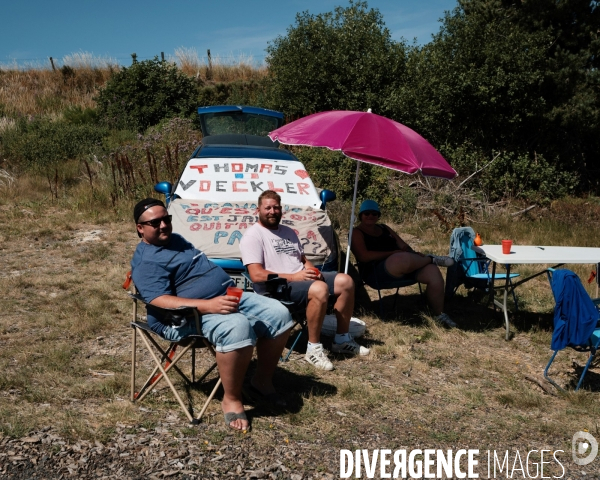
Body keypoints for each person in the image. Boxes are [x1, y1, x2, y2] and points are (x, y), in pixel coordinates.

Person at [130, 198, 294, 431]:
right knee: (237, 326)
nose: (164, 225)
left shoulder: (175, 240)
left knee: (279, 313)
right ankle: (232, 399)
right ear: (140, 228)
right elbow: (158, 300)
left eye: (166, 219)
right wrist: (208, 306)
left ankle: (261, 381)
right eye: (155, 223)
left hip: (224, 297)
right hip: (183, 318)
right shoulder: (148, 260)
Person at [239, 190, 370, 371]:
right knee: (320, 289)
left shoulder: (288, 231)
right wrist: (295, 277)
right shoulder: (253, 236)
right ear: (258, 210)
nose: (272, 211)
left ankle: (341, 339)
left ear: (281, 209)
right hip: (276, 288)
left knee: (345, 281)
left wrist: (311, 270)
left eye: (276, 207)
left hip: (301, 279)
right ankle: (314, 349)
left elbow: (300, 258)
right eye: (267, 207)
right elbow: (257, 275)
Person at [350, 199, 457, 328]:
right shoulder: (356, 232)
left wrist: (413, 254)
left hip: (404, 266)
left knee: (432, 271)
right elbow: (363, 256)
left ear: (378, 216)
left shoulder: (384, 228)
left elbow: (404, 246)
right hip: (376, 272)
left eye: (374, 213)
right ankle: (430, 258)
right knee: (399, 258)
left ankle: (439, 314)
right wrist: (392, 253)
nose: (370, 216)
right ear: (361, 215)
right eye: (367, 213)